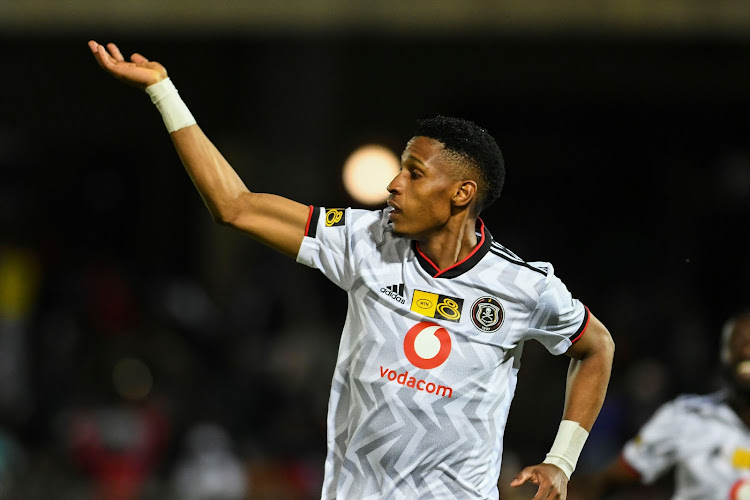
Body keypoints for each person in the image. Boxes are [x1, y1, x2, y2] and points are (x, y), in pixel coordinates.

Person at [87, 40, 615, 500]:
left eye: (414, 173)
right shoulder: (364, 239)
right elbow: (237, 207)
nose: (393, 185)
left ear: (461, 193)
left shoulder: (524, 287)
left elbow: (597, 348)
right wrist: (163, 90)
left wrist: (562, 460)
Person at [570, 310, 750, 500]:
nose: (746, 351)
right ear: (723, 355)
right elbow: (606, 481)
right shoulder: (686, 417)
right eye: (738, 343)